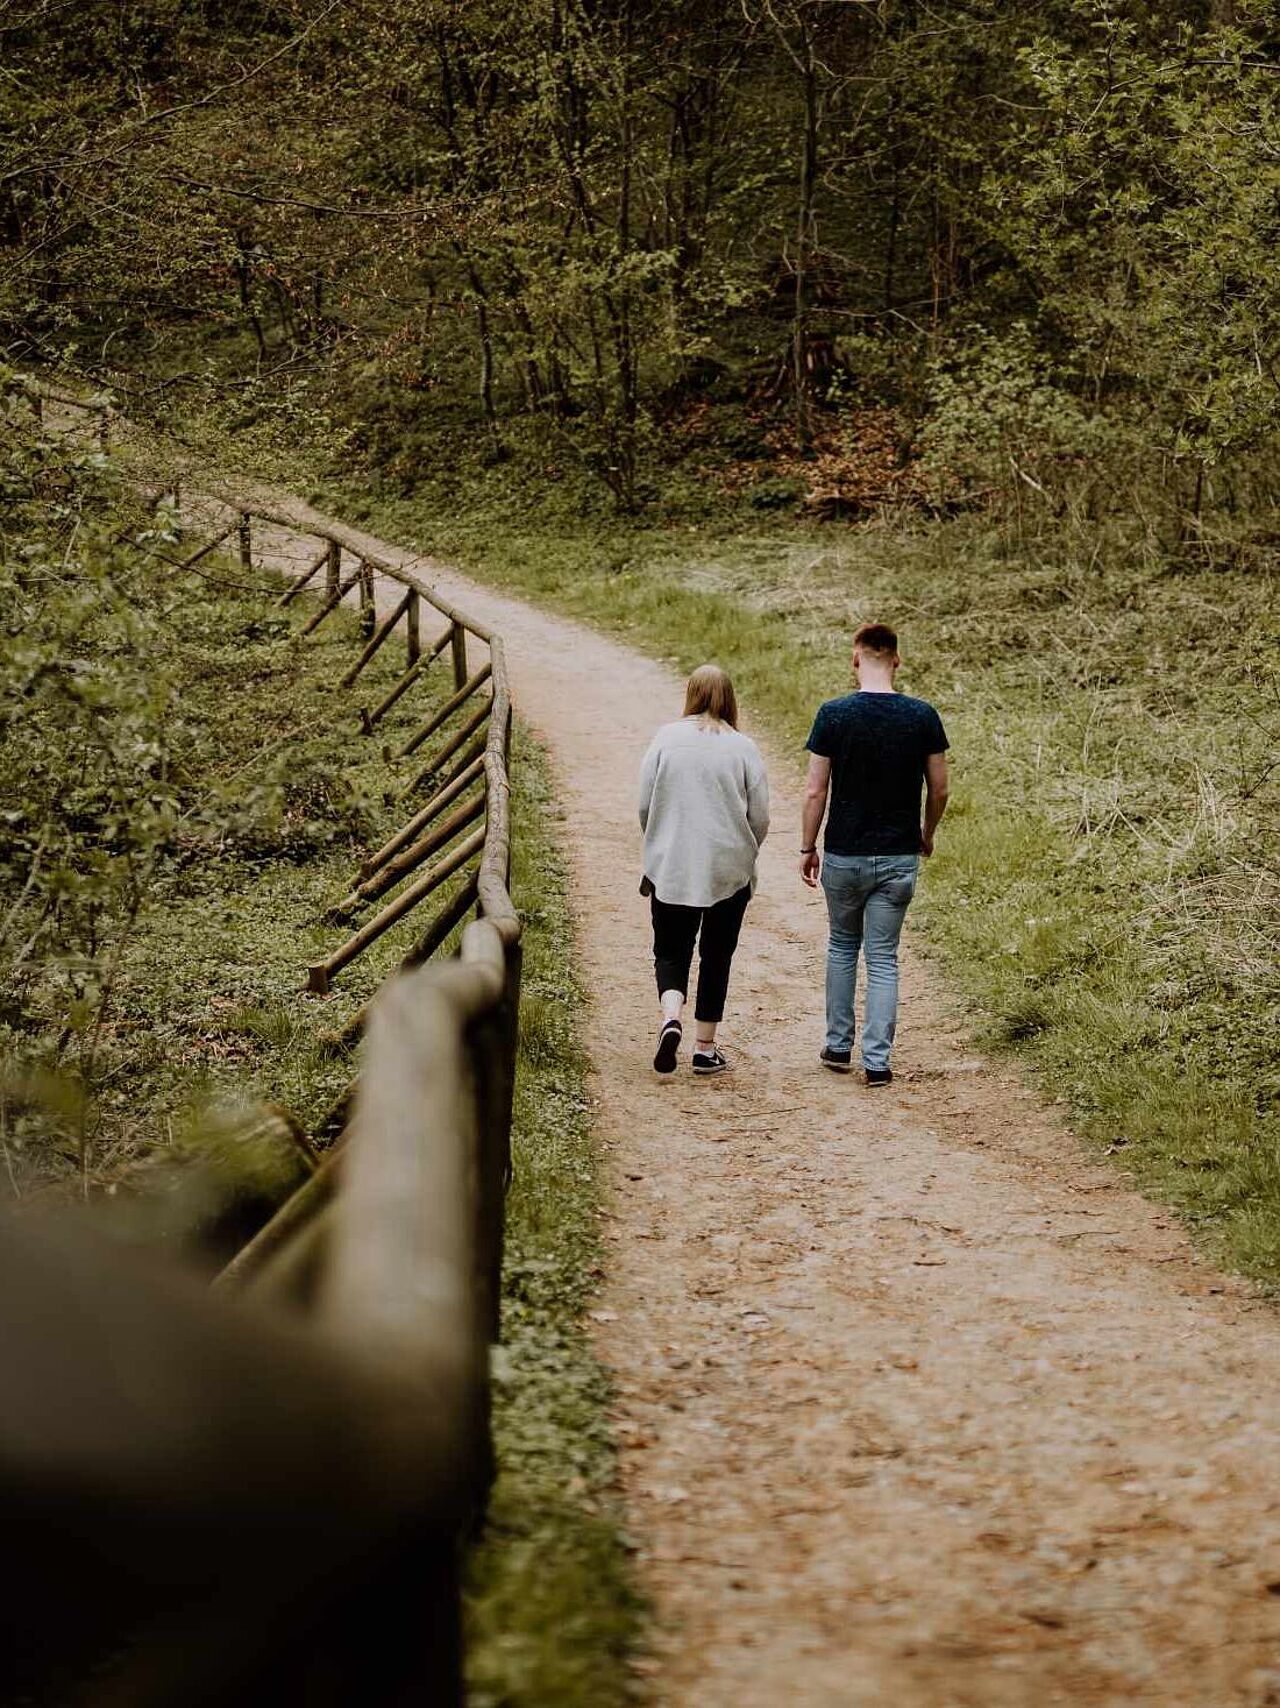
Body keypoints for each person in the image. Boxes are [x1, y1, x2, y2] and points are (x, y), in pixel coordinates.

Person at [800, 622, 949, 1086]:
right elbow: (940, 788)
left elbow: (814, 791)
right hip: (898, 855)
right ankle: (878, 1061)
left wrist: (808, 846)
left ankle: (838, 1045)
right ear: (898, 660)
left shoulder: (833, 714)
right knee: (884, 957)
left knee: (843, 945)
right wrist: (926, 832)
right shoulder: (922, 716)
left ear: (855, 658)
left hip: (844, 853)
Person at [638, 664, 770, 1077]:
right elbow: (761, 815)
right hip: (726, 869)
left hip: (672, 864)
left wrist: (658, 841)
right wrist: (747, 852)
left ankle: (670, 1017)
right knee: (717, 955)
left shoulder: (666, 737)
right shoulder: (743, 746)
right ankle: (705, 1048)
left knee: (671, 950)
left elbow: (644, 802)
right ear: (730, 699)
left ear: (691, 695)